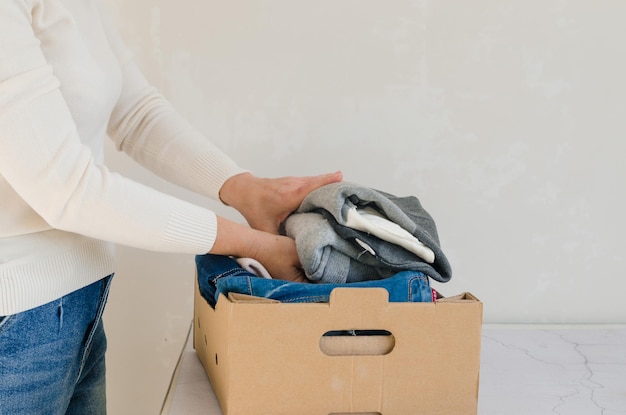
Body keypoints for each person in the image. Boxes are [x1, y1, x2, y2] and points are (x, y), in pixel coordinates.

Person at [0, 0, 342, 413]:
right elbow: (67, 189)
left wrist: (246, 190)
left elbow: (134, 110)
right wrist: (253, 245)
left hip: (80, 304)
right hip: (16, 323)